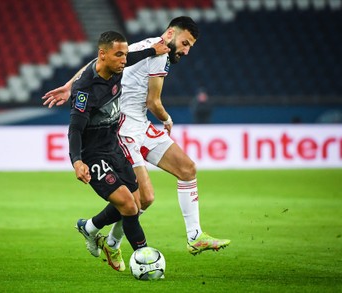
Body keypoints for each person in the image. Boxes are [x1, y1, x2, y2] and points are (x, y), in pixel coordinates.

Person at [43, 16, 230, 270]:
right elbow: (154, 102)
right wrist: (167, 119)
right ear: (170, 34)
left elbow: (100, 60)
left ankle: (194, 236)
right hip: (124, 128)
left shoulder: (148, 47)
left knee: (187, 169)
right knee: (144, 199)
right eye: (185, 43)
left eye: (190, 47)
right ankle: (111, 240)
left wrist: (67, 84)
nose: (186, 51)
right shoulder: (157, 53)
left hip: (140, 125)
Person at [62, 31, 169, 272]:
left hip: (113, 144)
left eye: (125, 54)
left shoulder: (115, 67)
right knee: (129, 207)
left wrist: (153, 51)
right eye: (118, 55)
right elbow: (75, 129)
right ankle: (145, 258)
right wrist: (77, 162)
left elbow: (129, 58)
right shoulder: (85, 89)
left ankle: (89, 228)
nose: (124, 60)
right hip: (93, 153)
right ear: (102, 54)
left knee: (138, 200)